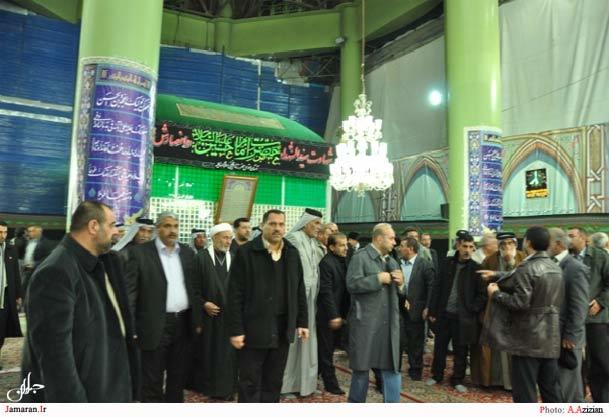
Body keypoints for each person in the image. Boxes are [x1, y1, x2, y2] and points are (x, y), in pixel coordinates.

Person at [21, 201, 136, 402]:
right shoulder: (56, 272)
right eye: (111, 225)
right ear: (93, 226)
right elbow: (55, 359)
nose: (116, 232)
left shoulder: (99, 263)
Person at [226, 209, 309, 403]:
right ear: (262, 225)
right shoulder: (246, 252)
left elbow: (299, 289)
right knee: (249, 383)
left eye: (281, 224)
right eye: (272, 224)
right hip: (254, 329)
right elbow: (234, 294)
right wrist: (236, 330)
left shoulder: (292, 253)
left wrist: (302, 322)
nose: (277, 228)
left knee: (274, 382)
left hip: (282, 329)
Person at [125, 212, 203, 402]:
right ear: (158, 228)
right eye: (167, 226)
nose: (172, 230)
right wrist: (131, 327)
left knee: (178, 376)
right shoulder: (140, 253)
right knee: (152, 377)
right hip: (153, 324)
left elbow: (194, 288)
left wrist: (197, 320)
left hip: (183, 323)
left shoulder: (187, 253)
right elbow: (131, 294)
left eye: (175, 226)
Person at [484, 226, 564, 403]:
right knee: (551, 391)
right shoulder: (555, 267)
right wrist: (497, 274)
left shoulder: (527, 267)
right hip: (550, 337)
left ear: (528, 242)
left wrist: (496, 294)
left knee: (525, 393)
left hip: (528, 340)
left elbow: (519, 303)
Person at [346, 223, 404, 403]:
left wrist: (402, 284)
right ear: (379, 238)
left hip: (389, 326)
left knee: (392, 368)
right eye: (391, 238)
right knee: (361, 369)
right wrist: (377, 279)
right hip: (366, 325)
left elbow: (401, 294)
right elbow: (352, 284)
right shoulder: (360, 258)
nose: (395, 242)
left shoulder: (392, 261)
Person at [426, 231, 486, 393]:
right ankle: (437, 375)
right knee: (440, 347)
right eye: (465, 246)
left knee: (461, 350)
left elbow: (482, 295)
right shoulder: (447, 264)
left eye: (471, 247)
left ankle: (457, 379)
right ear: (458, 246)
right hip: (444, 314)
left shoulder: (476, 269)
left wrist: (472, 309)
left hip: (463, 318)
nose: (468, 250)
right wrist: (432, 310)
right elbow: (437, 288)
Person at [471, 231, 525, 389]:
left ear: (515, 244)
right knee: (495, 348)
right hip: (495, 308)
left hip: (516, 308)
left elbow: (523, 279)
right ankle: (495, 381)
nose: (507, 246)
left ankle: (513, 383)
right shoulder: (490, 260)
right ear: (499, 246)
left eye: (510, 243)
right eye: (503, 244)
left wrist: (510, 263)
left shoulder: (523, 258)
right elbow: (482, 285)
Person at [190, 223, 237, 400]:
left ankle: (227, 388)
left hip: (229, 318)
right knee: (210, 353)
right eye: (225, 237)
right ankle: (210, 388)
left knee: (228, 355)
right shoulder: (200, 258)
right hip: (209, 318)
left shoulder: (233, 258)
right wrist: (204, 304)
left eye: (230, 238)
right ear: (215, 237)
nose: (228, 241)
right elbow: (192, 288)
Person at [281, 208, 325, 397]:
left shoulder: (312, 242)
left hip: (311, 298)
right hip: (296, 299)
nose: (319, 227)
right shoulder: (293, 238)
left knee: (307, 341)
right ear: (306, 223)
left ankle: (306, 385)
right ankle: (286, 386)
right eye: (316, 223)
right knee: (293, 342)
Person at [547, 228, 589, 402]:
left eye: (548, 242)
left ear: (557, 244)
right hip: (554, 334)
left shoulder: (575, 268)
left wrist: (571, 334)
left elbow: (579, 306)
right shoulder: (551, 263)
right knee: (559, 385)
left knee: (569, 386)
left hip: (568, 337)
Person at [568, 227, 609, 402]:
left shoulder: (600, 256)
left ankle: (603, 400)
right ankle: (578, 398)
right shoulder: (567, 258)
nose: (568, 239)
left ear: (583, 238)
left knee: (600, 360)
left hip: (596, 317)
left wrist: (601, 301)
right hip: (573, 318)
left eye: (572, 236)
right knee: (574, 361)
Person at [397, 237, 434, 381]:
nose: (399, 248)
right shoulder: (396, 263)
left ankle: (415, 370)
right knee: (398, 340)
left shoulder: (425, 264)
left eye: (402, 246)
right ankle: (395, 369)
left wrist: (428, 307)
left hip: (417, 309)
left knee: (416, 342)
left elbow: (431, 288)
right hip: (398, 309)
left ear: (410, 249)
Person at [316, 232, 349, 395]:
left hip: (341, 314)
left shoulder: (344, 261)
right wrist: (334, 315)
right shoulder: (326, 263)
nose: (346, 248)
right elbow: (326, 292)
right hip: (328, 316)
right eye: (342, 245)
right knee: (326, 351)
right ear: (331, 247)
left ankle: (315, 375)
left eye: (346, 245)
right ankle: (330, 384)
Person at [0, 220, 23, 370]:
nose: (3, 235)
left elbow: (16, 273)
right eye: (0, 232)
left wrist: (18, 295)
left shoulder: (10, 249)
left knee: (2, 330)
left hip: (5, 297)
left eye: (5, 232)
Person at [21, 224, 55, 291]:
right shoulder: (28, 241)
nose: (29, 233)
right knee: (24, 289)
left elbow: (48, 258)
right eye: (29, 231)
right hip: (26, 271)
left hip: (37, 271)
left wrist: (34, 264)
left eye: (32, 231)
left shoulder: (45, 243)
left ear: (38, 232)